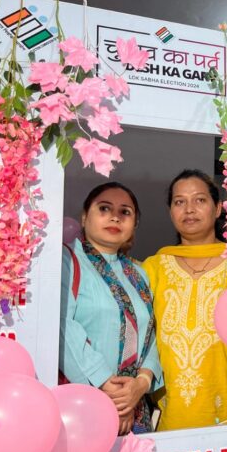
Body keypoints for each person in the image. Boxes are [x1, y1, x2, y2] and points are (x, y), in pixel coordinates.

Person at [143, 169, 227, 431]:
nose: (189, 209)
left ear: (217, 209)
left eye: (199, 200)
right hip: (171, 413)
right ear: (171, 211)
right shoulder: (153, 267)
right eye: (179, 202)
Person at [60, 182, 162, 435]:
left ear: (134, 224)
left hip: (135, 407)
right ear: (85, 217)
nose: (115, 217)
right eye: (104, 208)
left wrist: (141, 383)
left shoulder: (139, 273)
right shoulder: (65, 261)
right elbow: (62, 327)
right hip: (82, 404)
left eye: (125, 212)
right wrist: (109, 387)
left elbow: (152, 335)